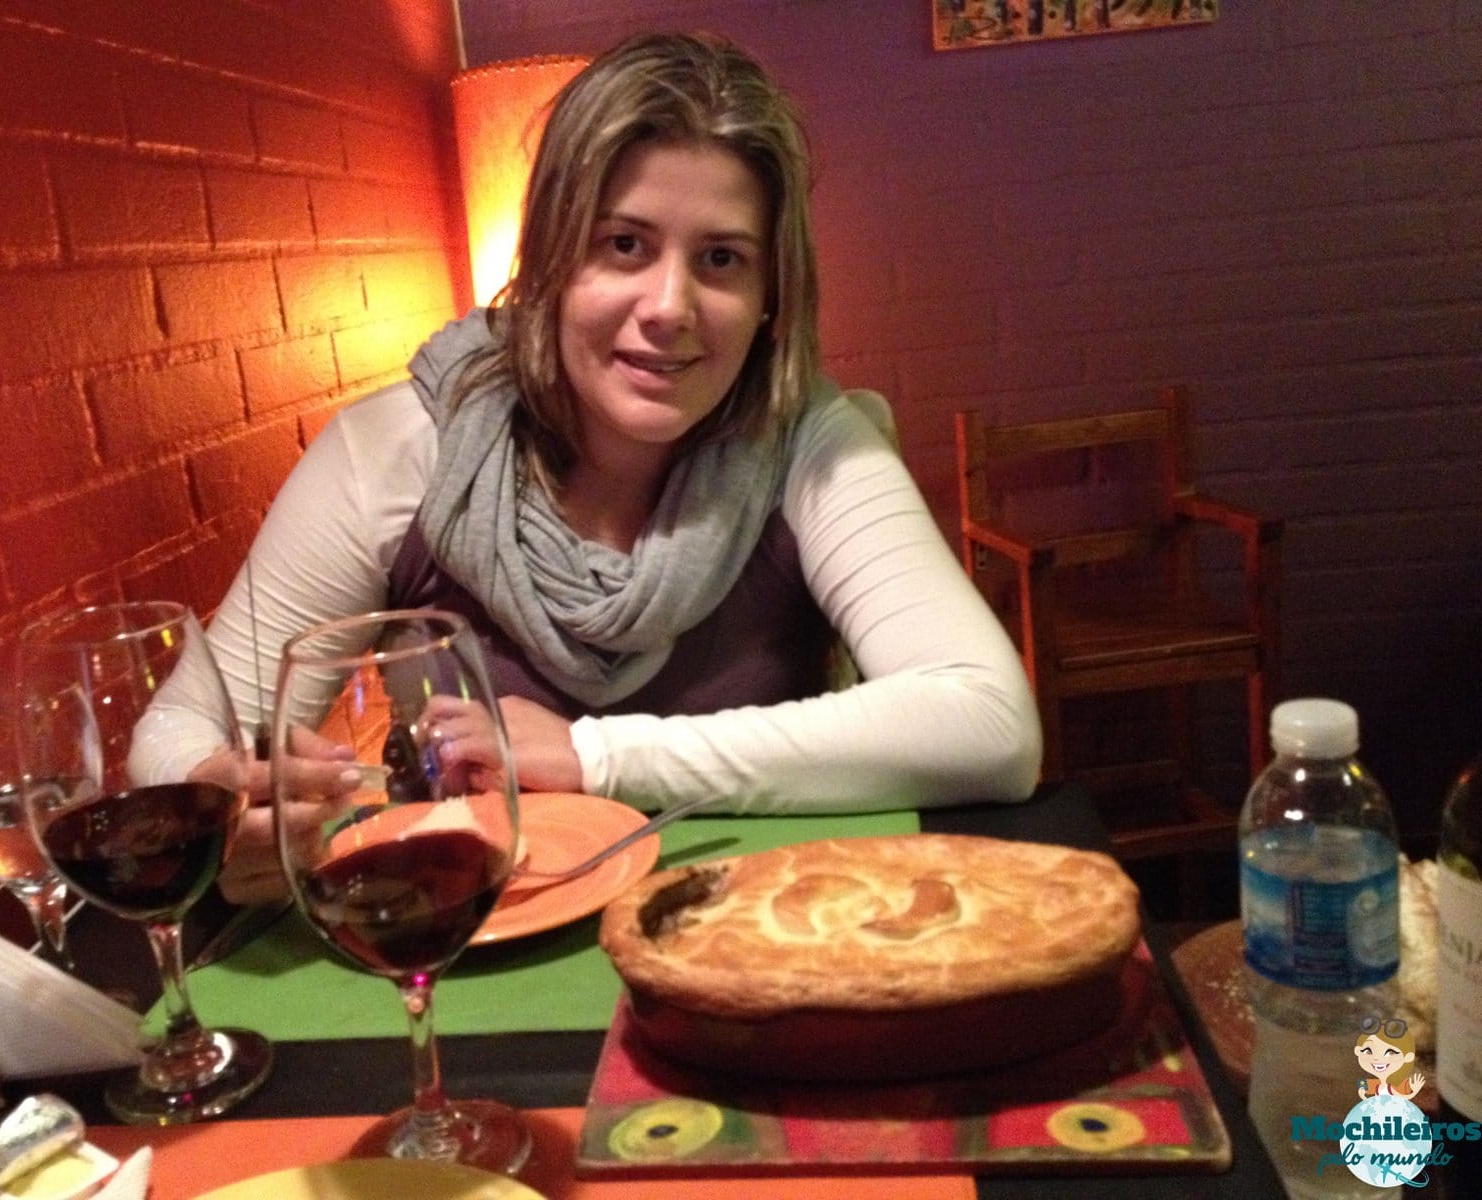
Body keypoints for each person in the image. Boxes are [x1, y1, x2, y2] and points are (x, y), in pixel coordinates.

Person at [137, 31, 1041, 901]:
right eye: (624, 245)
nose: (670, 307)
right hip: (471, 942)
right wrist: (227, 803)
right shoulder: (395, 450)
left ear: (772, 296)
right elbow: (179, 727)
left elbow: (990, 726)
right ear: (551, 258)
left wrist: (594, 756)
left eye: (721, 259)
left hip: (762, 931)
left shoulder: (809, 438)